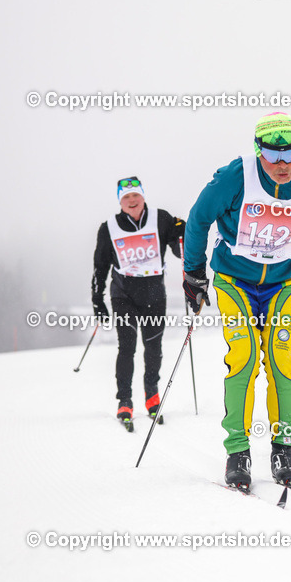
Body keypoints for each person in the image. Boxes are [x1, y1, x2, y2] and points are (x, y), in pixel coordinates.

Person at [182, 113, 291, 490]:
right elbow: (199, 219)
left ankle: (284, 449)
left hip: (283, 283)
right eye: (273, 155)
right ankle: (238, 452)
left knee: (282, 361)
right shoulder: (236, 176)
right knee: (245, 356)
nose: (283, 164)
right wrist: (193, 272)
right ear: (258, 151)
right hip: (235, 280)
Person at [92, 177, 185, 432]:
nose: (132, 201)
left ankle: (152, 396)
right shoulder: (109, 227)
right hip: (124, 294)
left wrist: (184, 235)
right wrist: (97, 300)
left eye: (136, 196)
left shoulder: (160, 218)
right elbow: (100, 267)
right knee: (127, 347)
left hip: (155, 293)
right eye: (126, 198)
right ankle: (124, 400)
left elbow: (179, 246)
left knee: (153, 347)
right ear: (120, 201)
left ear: (143, 197)